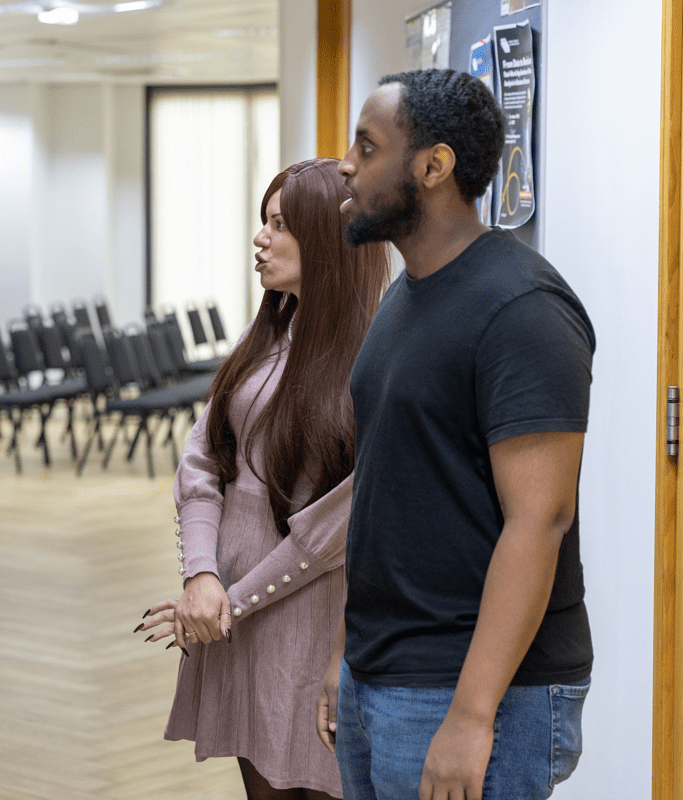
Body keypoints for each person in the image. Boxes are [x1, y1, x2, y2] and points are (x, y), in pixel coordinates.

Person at [319, 69, 594, 800]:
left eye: (367, 146)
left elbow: (540, 521)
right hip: (381, 669)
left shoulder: (522, 307)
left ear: (433, 167)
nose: (345, 163)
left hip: (472, 688)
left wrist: (473, 716)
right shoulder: (402, 295)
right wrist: (347, 653)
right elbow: (389, 487)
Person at [138, 158, 390, 799]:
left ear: (329, 242)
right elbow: (203, 460)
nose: (261, 238)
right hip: (230, 614)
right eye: (263, 222)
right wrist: (201, 575)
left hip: (309, 620)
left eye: (280, 225)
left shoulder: (372, 357)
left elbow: (334, 529)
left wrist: (231, 601)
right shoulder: (268, 330)